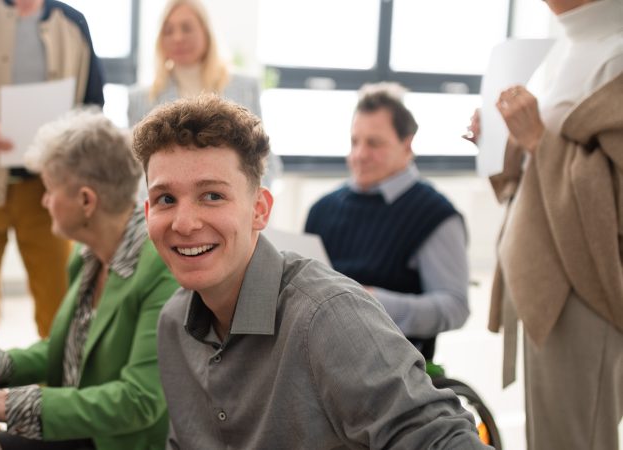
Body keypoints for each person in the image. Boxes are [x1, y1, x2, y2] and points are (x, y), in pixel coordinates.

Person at [134, 95, 489, 449]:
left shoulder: (328, 317)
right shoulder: (173, 323)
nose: (183, 223)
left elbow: (444, 440)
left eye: (212, 196)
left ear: (259, 210)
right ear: (148, 211)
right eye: (166, 199)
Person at [0, 110, 177, 450]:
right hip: (77, 430)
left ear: (86, 200)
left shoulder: (161, 271)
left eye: (49, 190)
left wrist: (9, 403)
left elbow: (138, 400)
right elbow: (69, 348)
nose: (43, 201)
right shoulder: (87, 255)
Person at [467, 0, 623, 448]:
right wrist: (505, 142)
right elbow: (538, 174)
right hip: (547, 280)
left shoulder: (615, 53)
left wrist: (537, 138)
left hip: (584, 288)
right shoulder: (565, 49)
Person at [0, 0, 105, 349]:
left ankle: (55, 394)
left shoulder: (73, 23)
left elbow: (92, 107)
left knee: (60, 307)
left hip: (49, 191)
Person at [305, 83, 469, 361]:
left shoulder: (434, 215)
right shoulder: (322, 209)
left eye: (374, 143)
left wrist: (371, 303)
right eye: (355, 142)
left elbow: (454, 307)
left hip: (389, 366)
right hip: (317, 354)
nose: (359, 154)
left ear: (408, 144)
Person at [127, 0, 281, 187]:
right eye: (168, 31)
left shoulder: (245, 88)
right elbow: (138, 172)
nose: (177, 37)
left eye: (187, 28)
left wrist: (249, 205)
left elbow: (265, 160)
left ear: (206, 32)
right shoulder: (141, 99)